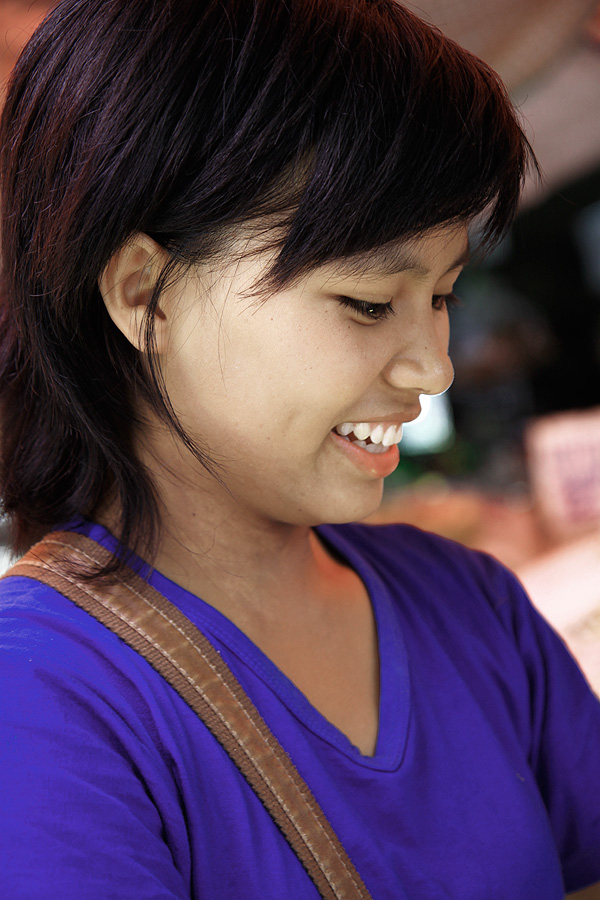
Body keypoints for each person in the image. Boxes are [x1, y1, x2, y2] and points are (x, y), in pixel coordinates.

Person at [0, 1, 598, 897]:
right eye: (368, 302)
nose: (434, 368)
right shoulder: (43, 697)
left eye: (442, 295)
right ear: (145, 295)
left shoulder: (473, 607)